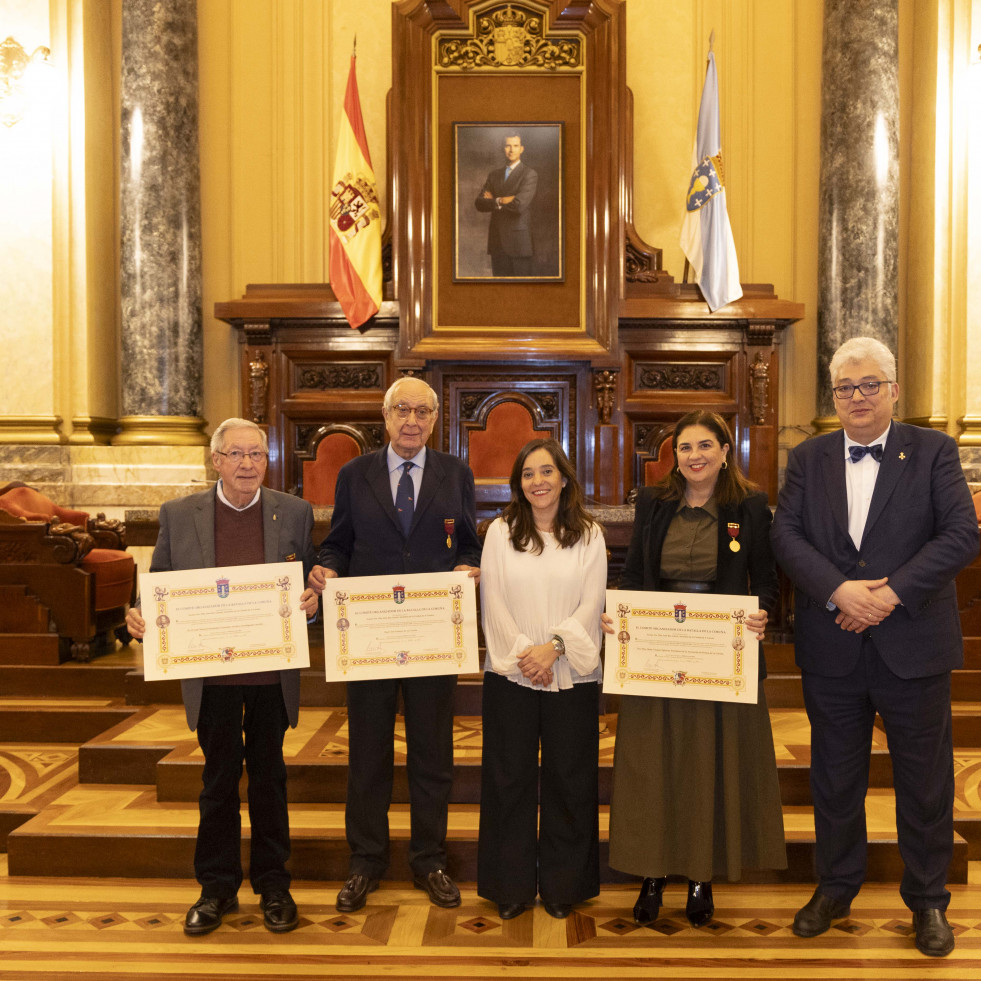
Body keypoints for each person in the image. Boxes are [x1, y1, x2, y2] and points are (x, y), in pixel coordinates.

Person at [770, 336, 979, 958]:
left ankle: (928, 900)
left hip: (912, 642)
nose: (856, 397)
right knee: (835, 778)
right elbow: (786, 535)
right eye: (844, 388)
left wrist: (888, 596)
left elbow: (961, 534)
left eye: (868, 385)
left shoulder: (935, 451)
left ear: (893, 390)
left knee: (925, 780)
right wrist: (838, 589)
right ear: (833, 397)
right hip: (832, 643)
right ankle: (835, 888)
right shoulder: (808, 458)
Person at [125, 418, 320, 936]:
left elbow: (309, 587)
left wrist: (313, 602)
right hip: (210, 677)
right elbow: (159, 584)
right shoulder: (179, 514)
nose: (247, 465)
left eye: (255, 455)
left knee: (270, 780)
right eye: (235, 455)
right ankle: (216, 890)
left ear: (266, 461)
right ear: (215, 461)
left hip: (269, 677)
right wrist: (139, 613)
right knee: (217, 783)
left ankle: (275, 885)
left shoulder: (295, 513)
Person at [605, 410, 787, 927]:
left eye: (706, 446)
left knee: (711, 764)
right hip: (658, 650)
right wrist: (623, 616)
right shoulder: (655, 502)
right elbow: (637, 572)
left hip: (721, 652)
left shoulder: (747, 505)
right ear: (674, 455)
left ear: (726, 450)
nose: (695, 456)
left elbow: (767, 579)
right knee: (653, 765)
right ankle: (652, 873)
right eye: (685, 448)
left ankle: (703, 877)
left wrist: (762, 613)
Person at [307, 377, 482, 913]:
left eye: (422, 411)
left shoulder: (456, 473)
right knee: (367, 754)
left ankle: (430, 860)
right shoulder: (353, 474)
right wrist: (325, 569)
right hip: (370, 638)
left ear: (435, 419)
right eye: (401, 410)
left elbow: (470, 543)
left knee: (433, 755)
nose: (411, 420)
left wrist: (467, 568)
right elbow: (338, 542)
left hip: (432, 638)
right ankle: (366, 862)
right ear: (384, 417)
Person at [477, 439, 606, 921]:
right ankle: (508, 885)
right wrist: (522, 656)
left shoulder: (589, 534)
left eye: (547, 472)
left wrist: (553, 647)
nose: (539, 482)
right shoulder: (500, 532)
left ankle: (563, 885)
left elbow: (592, 603)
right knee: (507, 779)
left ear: (564, 478)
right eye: (528, 474)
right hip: (512, 675)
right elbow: (494, 603)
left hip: (572, 672)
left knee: (569, 779)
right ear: (518, 484)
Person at [474, 131, 538, 277]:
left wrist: (493, 200)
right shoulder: (494, 175)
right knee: (498, 293)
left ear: (521, 149)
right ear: (503, 148)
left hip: (519, 244)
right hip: (497, 242)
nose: (511, 150)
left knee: (521, 293)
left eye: (515, 146)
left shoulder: (529, 174)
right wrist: (501, 200)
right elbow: (479, 203)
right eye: (507, 145)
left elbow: (518, 206)